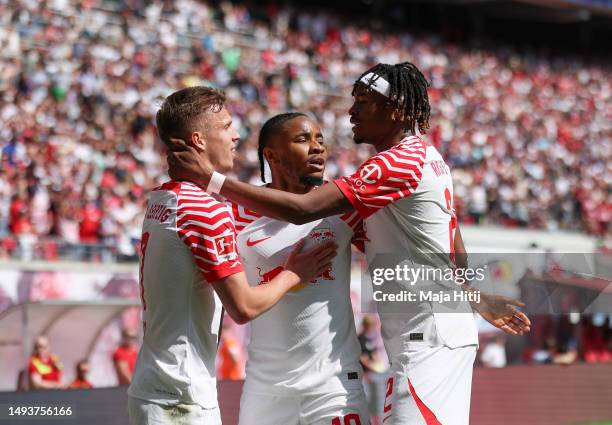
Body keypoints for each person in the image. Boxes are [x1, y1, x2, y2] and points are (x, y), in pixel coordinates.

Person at [168, 63, 531, 425]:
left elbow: (302, 210)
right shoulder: (412, 164)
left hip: (387, 359)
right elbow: (450, 243)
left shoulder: (387, 173)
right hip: (278, 384)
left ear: (398, 108)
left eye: (363, 101)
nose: (350, 111)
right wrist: (475, 297)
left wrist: (210, 179)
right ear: (271, 155)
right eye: (302, 140)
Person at [128, 86, 337, 425]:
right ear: (198, 140)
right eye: (225, 126)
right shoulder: (204, 209)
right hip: (182, 397)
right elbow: (244, 307)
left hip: (155, 386)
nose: (236, 135)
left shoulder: (162, 199)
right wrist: (294, 272)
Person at [231, 113, 368, 425]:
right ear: (271, 155)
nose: (317, 148)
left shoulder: (343, 206)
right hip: (265, 391)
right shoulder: (236, 212)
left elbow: (402, 251)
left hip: (333, 387)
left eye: (320, 139)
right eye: (303, 139)